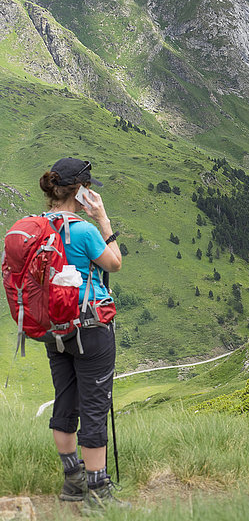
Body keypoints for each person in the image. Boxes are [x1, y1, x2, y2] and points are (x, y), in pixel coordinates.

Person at [39, 157, 123, 510]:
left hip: (52, 327)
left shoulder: (36, 227)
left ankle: (72, 483)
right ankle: (98, 494)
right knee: (93, 406)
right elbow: (114, 262)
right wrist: (102, 218)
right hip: (90, 326)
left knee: (65, 400)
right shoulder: (84, 229)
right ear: (82, 190)